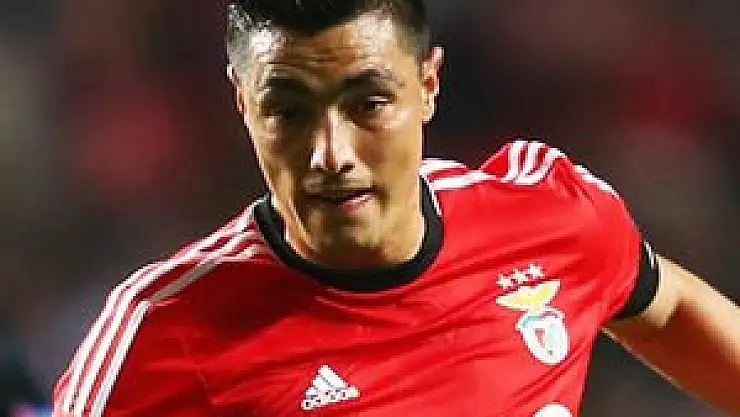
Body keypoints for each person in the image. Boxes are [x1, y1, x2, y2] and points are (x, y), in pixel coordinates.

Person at [52, 1, 740, 416]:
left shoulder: (548, 220)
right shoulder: (162, 333)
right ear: (242, 104)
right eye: (288, 110)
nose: (331, 153)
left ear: (428, 85)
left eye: (369, 103)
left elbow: (666, 305)